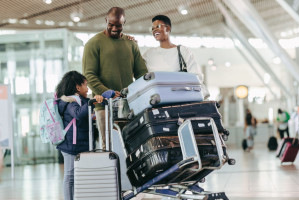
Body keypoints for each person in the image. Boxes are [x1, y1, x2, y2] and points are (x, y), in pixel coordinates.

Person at [82, 7, 148, 150]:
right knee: (109, 147)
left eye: (118, 25)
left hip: (129, 105)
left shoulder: (131, 44)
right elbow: (89, 75)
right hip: (104, 106)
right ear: (106, 20)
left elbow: (141, 74)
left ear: (124, 23)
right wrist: (108, 92)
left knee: (133, 146)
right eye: (110, 24)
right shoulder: (93, 44)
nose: (113, 28)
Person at [55, 70, 105, 200]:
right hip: (71, 145)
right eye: (85, 85)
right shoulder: (70, 100)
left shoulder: (80, 100)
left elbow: (81, 117)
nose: (87, 88)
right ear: (78, 87)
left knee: (77, 175)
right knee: (70, 176)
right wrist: (93, 101)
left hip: (78, 143)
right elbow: (78, 114)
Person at [143, 14, 209, 99]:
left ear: (168, 28)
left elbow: (197, 76)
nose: (154, 30)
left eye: (158, 26)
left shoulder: (183, 50)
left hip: (182, 99)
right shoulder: (149, 54)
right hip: (159, 100)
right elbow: (137, 72)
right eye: (152, 29)